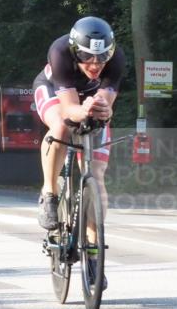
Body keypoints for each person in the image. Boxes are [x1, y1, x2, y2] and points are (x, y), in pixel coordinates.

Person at [33, 17, 125, 286]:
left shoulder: (117, 58)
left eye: (101, 58)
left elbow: (106, 102)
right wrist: (82, 110)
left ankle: (94, 254)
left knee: (97, 174)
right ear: (75, 51)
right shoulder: (60, 51)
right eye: (87, 58)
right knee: (61, 126)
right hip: (54, 92)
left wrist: (103, 110)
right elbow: (69, 108)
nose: (95, 65)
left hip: (88, 99)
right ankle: (49, 193)